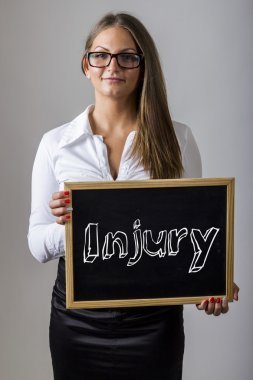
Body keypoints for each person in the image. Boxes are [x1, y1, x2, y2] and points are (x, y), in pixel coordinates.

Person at [28, 12, 239, 380]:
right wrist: (71, 228)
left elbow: (190, 237)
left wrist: (212, 283)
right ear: (86, 66)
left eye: (128, 56)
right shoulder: (55, 144)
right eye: (101, 55)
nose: (113, 65)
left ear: (143, 67)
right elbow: (36, 243)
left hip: (154, 323)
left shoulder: (179, 139)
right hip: (76, 321)